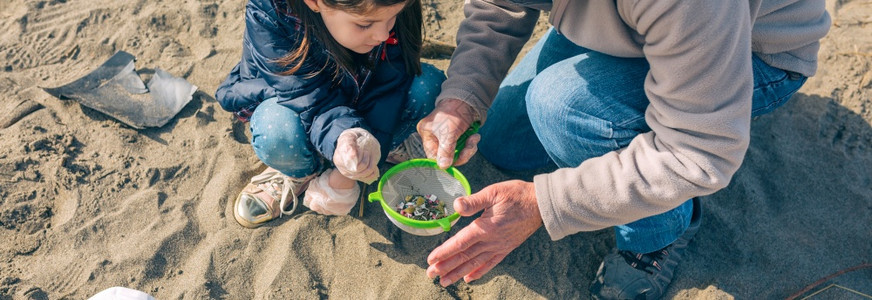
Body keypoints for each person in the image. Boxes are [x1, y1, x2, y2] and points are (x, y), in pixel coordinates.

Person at [418, 1, 830, 299]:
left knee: (561, 107)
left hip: (752, 52)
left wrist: (545, 203)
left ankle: (658, 237)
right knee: (506, 139)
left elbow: (700, 150)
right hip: (633, 20)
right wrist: (462, 97)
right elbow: (498, 5)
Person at [216, 0, 442, 228]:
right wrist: (342, 137)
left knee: (429, 87)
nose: (384, 35)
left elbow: (391, 86)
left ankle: (380, 147)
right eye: (365, 24)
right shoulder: (271, 11)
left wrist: (355, 162)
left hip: (363, 90)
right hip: (295, 101)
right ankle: (300, 171)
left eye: (393, 16)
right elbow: (309, 98)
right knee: (277, 129)